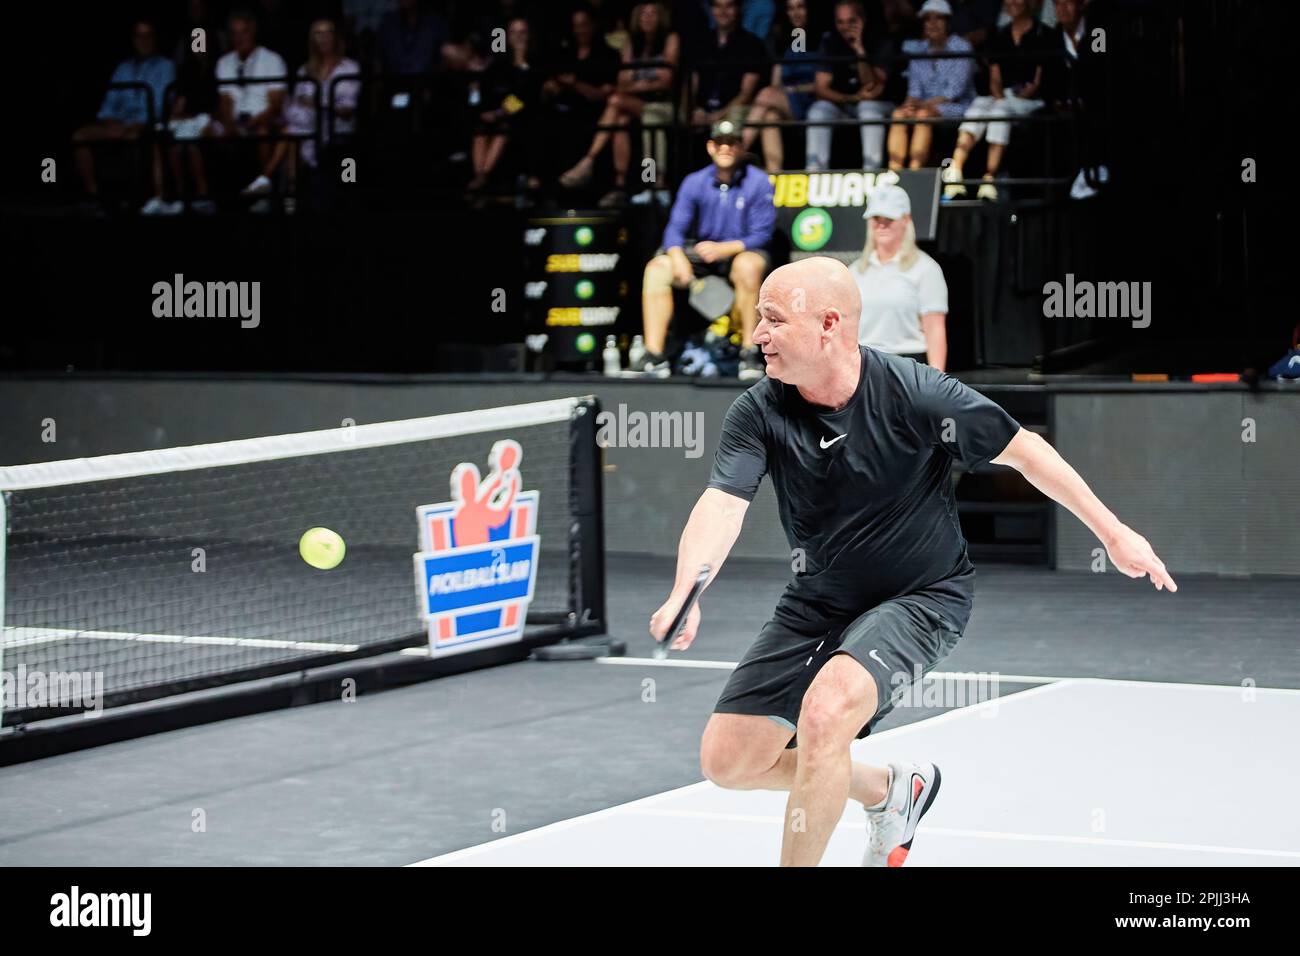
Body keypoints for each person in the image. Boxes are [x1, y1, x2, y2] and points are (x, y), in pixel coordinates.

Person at [650, 256, 1177, 867]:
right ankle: (891, 789)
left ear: (828, 324)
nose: (757, 334)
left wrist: (1112, 534)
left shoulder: (914, 392)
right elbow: (721, 504)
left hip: (921, 596)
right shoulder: (759, 411)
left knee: (824, 717)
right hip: (818, 597)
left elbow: (1025, 451)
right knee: (729, 761)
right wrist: (688, 587)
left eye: (772, 319)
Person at [637, 120, 775, 380]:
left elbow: (762, 234)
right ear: (711, 147)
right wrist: (677, 256)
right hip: (703, 255)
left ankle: (749, 354)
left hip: (740, 251)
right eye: (720, 143)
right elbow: (674, 230)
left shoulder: (759, 182)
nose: (726, 148)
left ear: (741, 147)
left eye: (732, 143)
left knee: (748, 266)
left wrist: (725, 249)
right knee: (657, 268)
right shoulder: (694, 182)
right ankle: (653, 356)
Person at [556, 2, 673, 207]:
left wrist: (632, 85)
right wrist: (645, 84)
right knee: (619, 120)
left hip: (662, 104)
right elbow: (622, 80)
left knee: (620, 103)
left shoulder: (670, 39)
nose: (647, 17)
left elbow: (665, 80)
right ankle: (620, 186)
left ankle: (655, 183)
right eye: (643, 13)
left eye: (652, 13)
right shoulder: (631, 42)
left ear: (661, 16)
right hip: (633, 103)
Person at [941, 0, 1054, 201]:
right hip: (1002, 96)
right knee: (979, 104)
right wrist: (1000, 96)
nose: (1013, 3)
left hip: (1030, 100)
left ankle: (989, 179)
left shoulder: (1044, 34)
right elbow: (995, 77)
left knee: (999, 110)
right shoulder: (998, 34)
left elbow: (1036, 83)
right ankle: (955, 171)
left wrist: (1006, 99)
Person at [253, 19, 360, 208]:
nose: (323, 38)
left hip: (335, 129)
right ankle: (289, 196)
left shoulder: (350, 67)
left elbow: (347, 111)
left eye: (328, 33)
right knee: (290, 133)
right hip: (306, 126)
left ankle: (269, 182)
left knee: (290, 134)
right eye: (318, 33)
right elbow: (296, 104)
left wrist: (319, 104)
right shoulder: (305, 69)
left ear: (336, 37)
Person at [73, 20, 175, 200]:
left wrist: (133, 127)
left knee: (134, 137)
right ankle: (94, 195)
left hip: (146, 126)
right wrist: (113, 124)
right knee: (80, 136)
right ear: (133, 40)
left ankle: (136, 197)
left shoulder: (165, 66)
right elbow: (107, 107)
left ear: (155, 38)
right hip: (118, 125)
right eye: (139, 36)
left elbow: (159, 108)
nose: (144, 40)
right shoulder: (123, 68)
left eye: (148, 35)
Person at [851, 184, 949, 369]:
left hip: (908, 365)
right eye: (876, 218)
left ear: (906, 220)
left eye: (889, 218)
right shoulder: (855, 272)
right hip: (863, 366)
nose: (881, 224)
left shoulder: (926, 270)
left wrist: (937, 384)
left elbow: (935, 330)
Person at [887, 0, 975, 171]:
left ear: (947, 23)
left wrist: (920, 105)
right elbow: (914, 91)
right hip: (924, 106)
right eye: (927, 19)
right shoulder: (919, 51)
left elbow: (954, 93)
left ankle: (914, 171)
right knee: (898, 113)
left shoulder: (962, 47)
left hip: (958, 108)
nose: (932, 24)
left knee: (923, 115)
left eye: (938, 19)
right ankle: (894, 170)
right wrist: (909, 105)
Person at [807, 1, 894, 171]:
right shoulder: (830, 41)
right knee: (818, 110)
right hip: (844, 103)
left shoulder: (880, 39)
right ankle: (814, 173)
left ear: (862, 19)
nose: (845, 27)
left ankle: (871, 171)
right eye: (840, 22)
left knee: (867, 108)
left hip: (879, 104)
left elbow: (870, 87)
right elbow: (821, 87)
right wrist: (850, 98)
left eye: (851, 21)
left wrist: (859, 50)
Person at [215, 10, 289, 197]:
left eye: (244, 32)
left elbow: (276, 106)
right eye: (234, 33)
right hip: (237, 121)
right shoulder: (224, 63)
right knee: (206, 130)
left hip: (264, 119)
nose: (240, 38)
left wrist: (253, 123)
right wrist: (231, 125)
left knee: (262, 130)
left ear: (253, 32)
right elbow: (226, 101)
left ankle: (264, 188)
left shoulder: (272, 60)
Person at [742, 0, 820, 173]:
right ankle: (774, 174)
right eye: (791, 8)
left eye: (800, 7)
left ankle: (738, 149)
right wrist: (782, 93)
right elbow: (776, 82)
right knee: (769, 115)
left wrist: (793, 90)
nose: (796, 13)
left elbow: (822, 83)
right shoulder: (784, 38)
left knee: (765, 95)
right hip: (786, 102)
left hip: (813, 103)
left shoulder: (822, 38)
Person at [468, 17, 543, 193]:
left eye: (522, 32)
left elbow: (526, 95)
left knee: (503, 128)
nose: (518, 37)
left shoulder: (534, 62)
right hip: (498, 111)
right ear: (507, 36)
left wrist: (501, 112)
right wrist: (489, 110)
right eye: (514, 32)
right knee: (480, 128)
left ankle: (484, 176)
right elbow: (491, 90)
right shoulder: (500, 61)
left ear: (529, 36)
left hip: (522, 115)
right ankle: (478, 174)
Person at [691, 0, 767, 132]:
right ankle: (649, 155)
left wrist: (717, 116)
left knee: (731, 120)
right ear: (712, 10)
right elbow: (692, 85)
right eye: (718, 6)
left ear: (737, 9)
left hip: (733, 111)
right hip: (701, 111)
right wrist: (694, 109)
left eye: (729, 6)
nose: (723, 11)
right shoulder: (700, 42)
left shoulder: (752, 44)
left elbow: (746, 94)